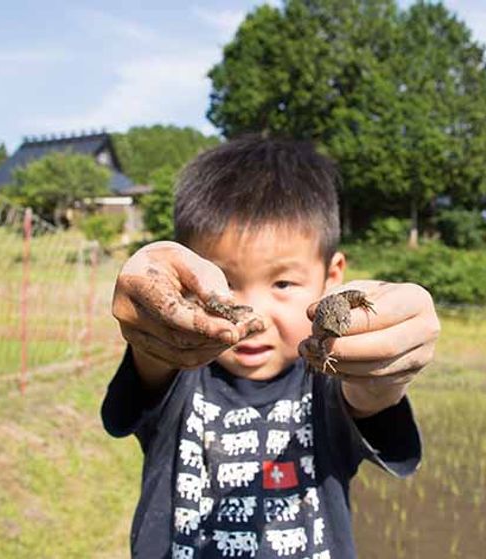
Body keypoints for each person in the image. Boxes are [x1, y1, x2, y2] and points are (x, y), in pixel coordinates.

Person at [101, 135, 440, 558]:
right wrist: (153, 304)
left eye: (282, 283)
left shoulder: (327, 384)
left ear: (332, 278)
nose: (254, 315)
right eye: (223, 285)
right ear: (190, 279)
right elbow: (153, 353)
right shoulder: (179, 371)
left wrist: (390, 364)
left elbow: (371, 396)